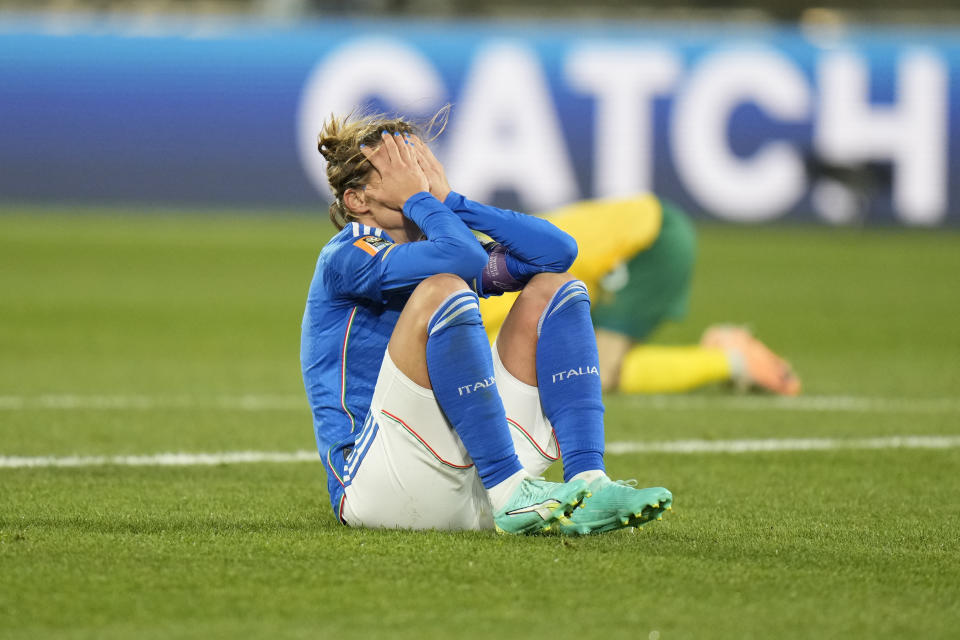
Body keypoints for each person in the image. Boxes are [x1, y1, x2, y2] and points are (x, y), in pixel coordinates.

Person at [300, 112, 672, 535]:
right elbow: (463, 260)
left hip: (470, 484)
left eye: (418, 162)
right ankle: (510, 489)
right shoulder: (346, 257)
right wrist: (424, 202)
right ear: (356, 200)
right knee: (443, 289)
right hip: (381, 483)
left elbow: (557, 252)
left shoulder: (436, 245)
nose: (416, 176)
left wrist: (452, 202)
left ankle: (589, 482)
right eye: (399, 168)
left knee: (556, 287)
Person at [478, 196, 802, 396]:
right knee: (589, 371)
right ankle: (732, 359)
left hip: (646, 241)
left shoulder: (471, 292)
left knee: (590, 374)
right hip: (621, 245)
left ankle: (732, 360)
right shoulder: (467, 310)